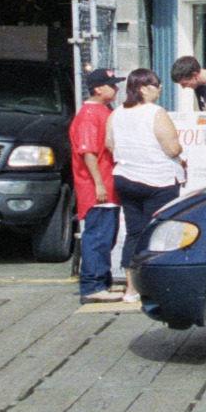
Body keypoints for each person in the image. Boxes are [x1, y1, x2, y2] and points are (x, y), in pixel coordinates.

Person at [107, 68, 184, 303]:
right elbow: (172, 148)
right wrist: (179, 151)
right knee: (160, 234)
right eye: (156, 84)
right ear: (142, 88)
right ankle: (160, 287)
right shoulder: (156, 113)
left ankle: (131, 288)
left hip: (126, 177)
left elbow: (110, 144)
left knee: (133, 232)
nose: (160, 88)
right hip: (158, 179)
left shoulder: (116, 113)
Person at [70, 68, 122, 304]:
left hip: (106, 185)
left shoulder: (102, 111)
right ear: (98, 88)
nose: (116, 88)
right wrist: (99, 184)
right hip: (97, 187)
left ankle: (101, 282)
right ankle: (92, 285)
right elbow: (88, 151)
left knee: (105, 236)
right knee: (98, 236)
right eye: (111, 85)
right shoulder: (90, 114)